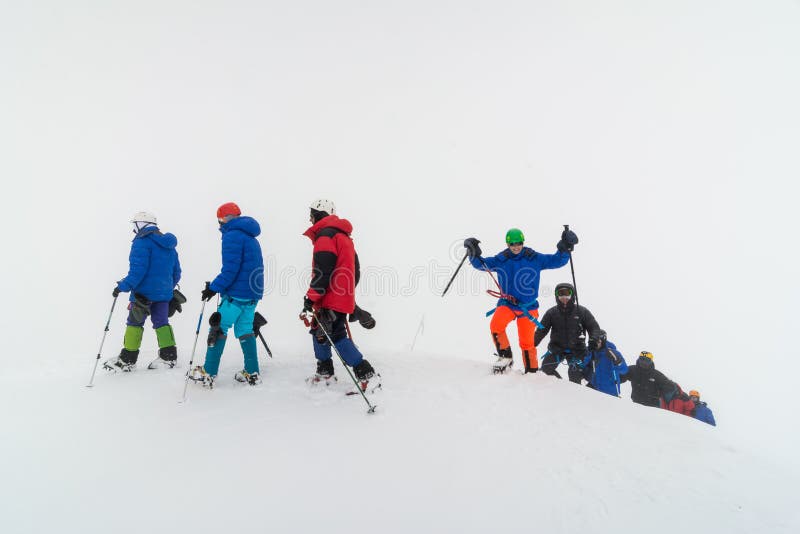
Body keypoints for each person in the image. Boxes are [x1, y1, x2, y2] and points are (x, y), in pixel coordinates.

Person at [463, 227, 578, 373]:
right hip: (508, 305)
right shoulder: (502, 259)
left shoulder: (533, 258)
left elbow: (556, 261)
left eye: (519, 243)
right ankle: (505, 358)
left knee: (526, 342)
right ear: (507, 244)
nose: (516, 246)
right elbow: (482, 264)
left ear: (523, 242)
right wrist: (473, 252)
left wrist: (565, 247)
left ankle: (531, 371)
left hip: (528, 308)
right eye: (512, 244)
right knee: (496, 326)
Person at [302, 199, 377, 388]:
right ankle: (325, 372)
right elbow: (356, 270)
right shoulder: (344, 237)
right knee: (320, 332)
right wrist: (346, 293)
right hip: (339, 296)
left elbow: (323, 272)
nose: (310, 218)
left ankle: (367, 374)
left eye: (311, 213)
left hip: (330, 296)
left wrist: (311, 298)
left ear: (319, 213)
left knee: (335, 335)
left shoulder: (325, 236)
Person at [190, 202, 264, 387]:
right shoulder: (250, 237)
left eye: (220, 219)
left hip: (236, 295)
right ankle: (252, 371)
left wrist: (213, 288)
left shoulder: (232, 236)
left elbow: (230, 270)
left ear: (227, 219)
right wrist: (217, 286)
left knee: (218, 328)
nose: (219, 224)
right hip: (252, 293)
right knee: (245, 329)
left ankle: (209, 372)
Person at [105, 211, 181, 372]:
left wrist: (122, 286)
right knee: (161, 322)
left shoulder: (141, 243)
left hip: (142, 296)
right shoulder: (169, 245)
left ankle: (127, 360)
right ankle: (168, 357)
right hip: (163, 294)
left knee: (134, 323)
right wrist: (165, 288)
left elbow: (137, 272)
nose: (134, 229)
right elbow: (177, 273)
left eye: (135, 225)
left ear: (141, 224)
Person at [534, 283, 602, 382]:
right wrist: (532, 343)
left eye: (567, 294)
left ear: (573, 295)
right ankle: (561, 385)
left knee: (574, 376)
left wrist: (593, 339)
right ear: (557, 296)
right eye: (560, 294)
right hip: (556, 348)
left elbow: (594, 328)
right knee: (545, 371)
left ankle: (573, 391)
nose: (564, 298)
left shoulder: (582, 311)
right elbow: (541, 331)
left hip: (577, 350)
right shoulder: (551, 313)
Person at [581, 330, 628, 396]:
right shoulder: (591, 351)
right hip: (594, 389)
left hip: (610, 392)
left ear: (603, 341)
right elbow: (581, 365)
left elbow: (624, 370)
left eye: (598, 341)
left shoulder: (613, 352)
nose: (595, 343)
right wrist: (587, 353)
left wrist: (618, 362)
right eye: (593, 341)